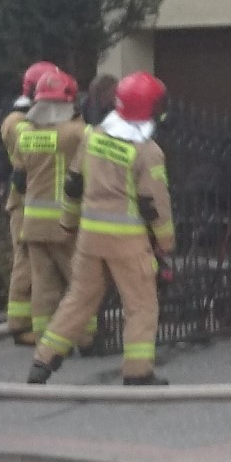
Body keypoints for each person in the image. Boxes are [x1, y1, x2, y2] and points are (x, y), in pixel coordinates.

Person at [28, 71, 177, 388]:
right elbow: (156, 204)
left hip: (90, 239)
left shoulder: (93, 137)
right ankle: (138, 371)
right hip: (129, 243)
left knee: (79, 299)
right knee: (141, 306)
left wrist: (68, 223)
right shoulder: (148, 151)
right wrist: (165, 243)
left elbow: (73, 184)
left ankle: (43, 360)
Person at [5, 66, 88, 348]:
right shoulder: (75, 134)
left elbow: (18, 177)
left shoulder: (25, 133)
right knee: (79, 280)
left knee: (42, 283)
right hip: (63, 221)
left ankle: (44, 336)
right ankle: (85, 336)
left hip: (32, 220)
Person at [0, 61, 60, 343]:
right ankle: (20, 324)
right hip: (24, 204)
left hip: (38, 201)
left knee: (40, 266)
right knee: (25, 262)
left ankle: (38, 322)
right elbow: (35, 144)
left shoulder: (34, 118)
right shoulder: (16, 121)